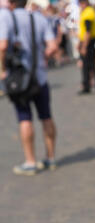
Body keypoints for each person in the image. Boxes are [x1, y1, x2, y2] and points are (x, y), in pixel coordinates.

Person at [0, 0, 58, 176]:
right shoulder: (38, 18)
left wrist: (2, 69)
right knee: (46, 116)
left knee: (24, 117)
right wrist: (42, 58)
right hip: (39, 76)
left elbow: (2, 46)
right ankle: (50, 157)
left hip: (18, 79)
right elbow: (52, 46)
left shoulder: (6, 17)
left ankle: (30, 161)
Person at [78, 0, 95, 94]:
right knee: (90, 64)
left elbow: (88, 31)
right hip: (89, 41)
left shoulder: (88, 13)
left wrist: (84, 46)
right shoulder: (88, 11)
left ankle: (90, 85)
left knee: (88, 64)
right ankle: (92, 84)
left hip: (89, 42)